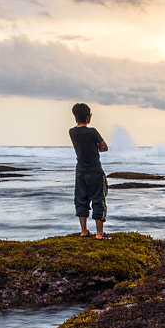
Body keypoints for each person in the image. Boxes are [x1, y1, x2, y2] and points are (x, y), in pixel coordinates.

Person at [69, 102, 109, 238]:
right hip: (95, 170)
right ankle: (99, 233)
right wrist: (96, 147)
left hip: (80, 170)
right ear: (88, 118)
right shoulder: (92, 131)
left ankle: (84, 231)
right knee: (98, 199)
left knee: (81, 199)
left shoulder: (72, 132)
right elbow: (104, 146)